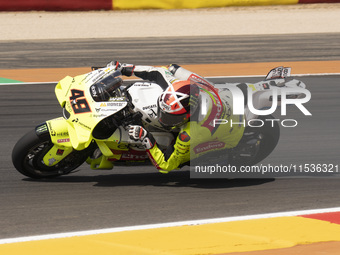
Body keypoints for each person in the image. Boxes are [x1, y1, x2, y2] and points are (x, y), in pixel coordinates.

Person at [114, 61, 245, 173]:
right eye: (163, 112)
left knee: (187, 156)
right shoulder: (177, 86)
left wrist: (146, 137)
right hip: (222, 95)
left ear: (189, 115)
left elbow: (165, 166)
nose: (163, 119)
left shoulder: (190, 133)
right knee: (172, 68)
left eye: (171, 118)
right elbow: (157, 72)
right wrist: (125, 68)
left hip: (231, 132)